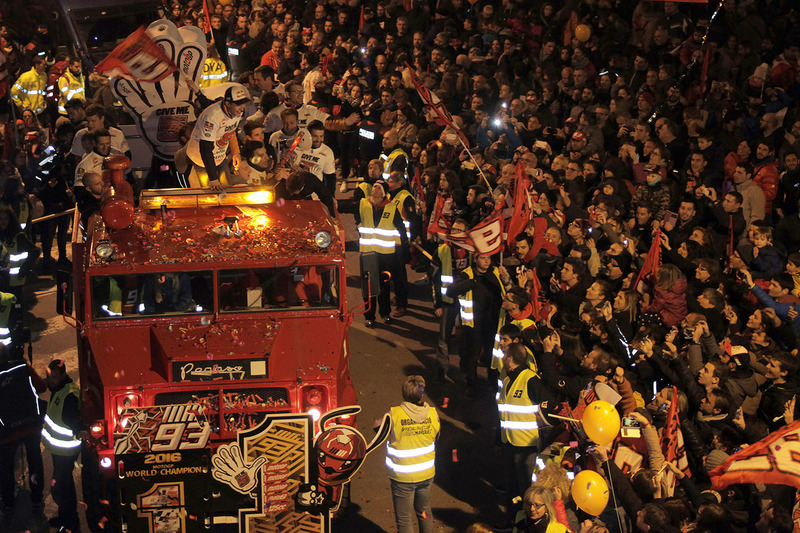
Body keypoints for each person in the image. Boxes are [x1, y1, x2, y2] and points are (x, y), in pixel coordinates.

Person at [498, 343, 554, 526]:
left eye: (504, 355)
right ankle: (512, 523)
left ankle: (526, 526)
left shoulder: (530, 379)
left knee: (527, 494)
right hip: (508, 442)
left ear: (510, 358)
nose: (502, 358)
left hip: (526, 446)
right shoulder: (507, 380)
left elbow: (550, 405)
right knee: (511, 488)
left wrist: (541, 427)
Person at [384, 375, 439, 533]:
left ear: (405, 393)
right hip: (426, 474)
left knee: (405, 519)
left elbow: (378, 428)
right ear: (422, 393)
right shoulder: (433, 414)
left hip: (403, 477)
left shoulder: (394, 414)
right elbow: (437, 435)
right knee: (424, 512)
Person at [0, 345, 46, 520]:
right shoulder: (22, 367)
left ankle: (8, 503)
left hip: (6, 432)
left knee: (5, 469)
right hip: (31, 425)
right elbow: (41, 387)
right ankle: (36, 499)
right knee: (35, 461)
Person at [356, 180, 407, 326]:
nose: (374, 190)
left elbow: (401, 228)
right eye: (374, 187)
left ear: (384, 193)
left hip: (386, 254)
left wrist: (404, 247)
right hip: (367, 253)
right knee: (369, 286)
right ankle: (369, 316)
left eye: (378, 188)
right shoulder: (363, 203)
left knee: (384, 285)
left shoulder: (391, 207)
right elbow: (355, 216)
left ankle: (385, 313)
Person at [42, 359, 81, 533]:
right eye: (49, 377)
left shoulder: (69, 395)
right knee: (64, 487)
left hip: (66, 451)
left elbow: (74, 421)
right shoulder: (58, 389)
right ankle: (67, 519)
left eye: (54, 377)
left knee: (60, 488)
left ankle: (69, 523)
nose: (51, 381)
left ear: (63, 375)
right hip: (58, 450)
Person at [185, 84, 251, 189]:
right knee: (209, 192)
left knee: (225, 186)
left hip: (219, 155)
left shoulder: (237, 112)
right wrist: (213, 178)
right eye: (238, 104)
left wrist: (236, 152)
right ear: (228, 104)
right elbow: (205, 149)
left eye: (243, 104)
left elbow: (231, 130)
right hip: (201, 159)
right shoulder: (212, 117)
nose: (242, 108)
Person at [293, 120, 336, 194]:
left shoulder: (327, 152)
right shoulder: (297, 146)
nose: (319, 140)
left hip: (314, 194)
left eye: (321, 136)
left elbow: (330, 178)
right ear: (309, 135)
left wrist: (331, 197)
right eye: (315, 136)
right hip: (296, 191)